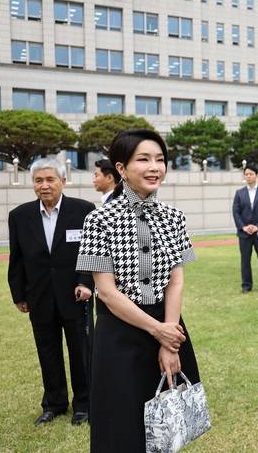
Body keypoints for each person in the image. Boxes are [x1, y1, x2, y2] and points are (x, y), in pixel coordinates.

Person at [76, 129, 201, 452]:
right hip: (120, 333)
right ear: (121, 168)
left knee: (166, 425)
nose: (154, 167)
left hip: (169, 326)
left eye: (160, 160)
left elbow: (176, 280)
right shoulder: (99, 220)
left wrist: (170, 339)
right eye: (143, 159)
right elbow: (106, 292)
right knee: (120, 427)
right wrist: (158, 331)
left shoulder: (174, 217)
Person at [8, 158, 95, 426]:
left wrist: (85, 283)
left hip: (75, 295)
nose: (44, 185)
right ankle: (54, 403)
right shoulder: (19, 216)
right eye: (38, 180)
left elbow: (91, 252)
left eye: (50, 180)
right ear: (33, 183)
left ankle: (84, 404)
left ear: (63, 181)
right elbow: (17, 258)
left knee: (81, 351)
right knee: (47, 351)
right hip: (40, 296)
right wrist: (19, 294)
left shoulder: (84, 210)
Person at [233, 164, 258, 293]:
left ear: (256, 175)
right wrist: (243, 227)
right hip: (244, 234)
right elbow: (236, 212)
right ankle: (246, 286)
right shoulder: (239, 193)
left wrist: (257, 226)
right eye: (246, 174)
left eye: (251, 174)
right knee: (245, 261)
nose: (248, 176)